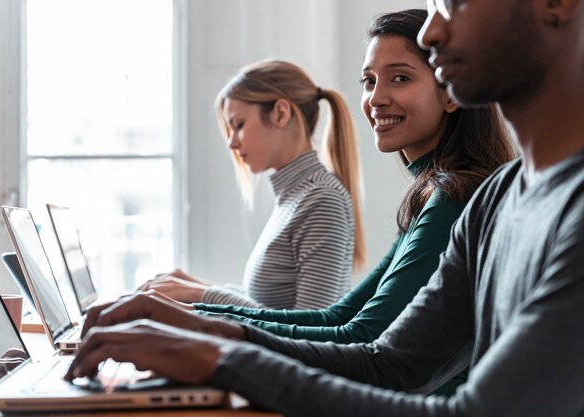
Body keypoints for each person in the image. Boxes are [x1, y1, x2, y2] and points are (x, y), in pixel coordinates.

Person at [67, 1, 584, 416]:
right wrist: (204, 332)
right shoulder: (495, 198)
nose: (433, 29)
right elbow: (388, 361)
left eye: (454, 0)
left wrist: (218, 355)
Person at [185, 10, 513, 359]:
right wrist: (193, 316)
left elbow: (361, 335)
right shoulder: (428, 195)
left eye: (400, 78)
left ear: (451, 93)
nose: (376, 98)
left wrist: (197, 317)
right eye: (369, 81)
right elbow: (341, 317)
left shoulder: (452, 198)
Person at [142, 60, 366, 310]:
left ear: (281, 113)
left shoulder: (322, 200)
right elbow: (264, 304)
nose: (231, 143)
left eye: (238, 125)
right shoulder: (296, 197)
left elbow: (307, 328)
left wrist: (202, 294)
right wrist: (195, 287)